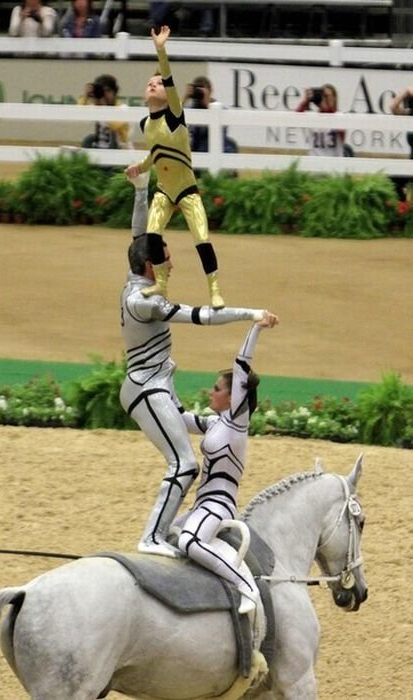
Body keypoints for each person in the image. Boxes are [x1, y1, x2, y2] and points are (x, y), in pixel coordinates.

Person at [120, 174, 275, 558]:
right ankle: (152, 536)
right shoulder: (145, 302)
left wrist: (141, 192)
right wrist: (251, 313)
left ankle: (172, 528)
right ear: (150, 267)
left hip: (160, 384)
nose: (171, 259)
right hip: (146, 389)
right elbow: (203, 316)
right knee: (185, 464)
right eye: (165, 257)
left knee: (186, 458)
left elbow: (140, 239)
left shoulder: (137, 274)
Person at [172, 314, 278, 614]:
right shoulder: (216, 424)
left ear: (234, 396)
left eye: (217, 388)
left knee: (190, 542)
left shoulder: (237, 423)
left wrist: (256, 326)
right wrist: (163, 381)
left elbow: (242, 363)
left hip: (218, 505)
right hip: (200, 504)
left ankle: (245, 585)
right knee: (166, 536)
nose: (211, 391)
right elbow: (179, 418)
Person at [124, 26, 225, 310]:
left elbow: (168, 78)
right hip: (165, 190)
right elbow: (157, 154)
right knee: (153, 235)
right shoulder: (146, 124)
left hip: (187, 190)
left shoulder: (175, 116)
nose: (153, 85)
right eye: (148, 84)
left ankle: (214, 288)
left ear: (170, 96)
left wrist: (160, 50)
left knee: (201, 238)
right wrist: (140, 165)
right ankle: (161, 283)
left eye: (158, 84)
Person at [183, 75, 238, 155]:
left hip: (217, 143)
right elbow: (174, 117)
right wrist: (185, 97)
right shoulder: (191, 108)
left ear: (210, 90)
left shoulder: (219, 108)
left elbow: (223, 129)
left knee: (232, 146)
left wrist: (206, 102)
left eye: (201, 87)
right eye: (196, 88)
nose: (199, 91)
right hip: (196, 143)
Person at [78, 74, 132, 150]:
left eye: (108, 90)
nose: (105, 94)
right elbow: (79, 114)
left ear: (115, 92)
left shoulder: (122, 108)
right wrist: (86, 96)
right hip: (99, 148)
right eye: (102, 91)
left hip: (121, 150)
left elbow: (114, 126)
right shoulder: (97, 107)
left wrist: (103, 105)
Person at [295, 84, 345, 157]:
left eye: (327, 96)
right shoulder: (312, 116)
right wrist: (305, 101)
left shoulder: (340, 116)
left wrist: (329, 107)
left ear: (334, 98)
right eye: (322, 95)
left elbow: (342, 136)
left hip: (334, 160)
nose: (324, 98)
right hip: (314, 160)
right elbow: (294, 119)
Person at [389, 86, 413, 202]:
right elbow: (393, 107)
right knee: (392, 182)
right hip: (411, 165)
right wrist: (406, 91)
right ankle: (404, 211)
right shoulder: (410, 114)